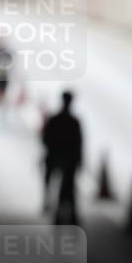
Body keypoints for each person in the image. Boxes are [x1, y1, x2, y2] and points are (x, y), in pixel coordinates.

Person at [42, 91, 83, 224]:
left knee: (63, 186)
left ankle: (51, 204)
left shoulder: (55, 119)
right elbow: (78, 144)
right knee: (69, 187)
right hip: (65, 158)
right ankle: (70, 215)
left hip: (57, 157)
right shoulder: (73, 121)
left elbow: (45, 139)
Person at [0, 37, 14, 108]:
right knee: (0, 86)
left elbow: (10, 60)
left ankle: (3, 101)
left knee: (4, 86)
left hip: (5, 74)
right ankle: (0, 102)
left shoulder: (6, 51)